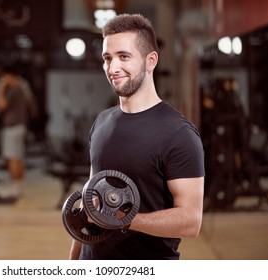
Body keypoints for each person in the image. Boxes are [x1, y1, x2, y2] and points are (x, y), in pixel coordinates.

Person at [69, 14, 205, 260]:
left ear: (150, 60)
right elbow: (91, 201)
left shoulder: (178, 134)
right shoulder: (102, 122)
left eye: (124, 56)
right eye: (107, 58)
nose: (113, 68)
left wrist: (122, 219)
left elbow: (190, 221)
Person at [0, 66, 38, 198]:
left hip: (13, 127)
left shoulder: (15, 90)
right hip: (18, 126)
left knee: (13, 157)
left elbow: (1, 105)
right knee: (17, 157)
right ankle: (18, 186)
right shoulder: (22, 88)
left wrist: (0, 89)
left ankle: (15, 187)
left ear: (9, 76)